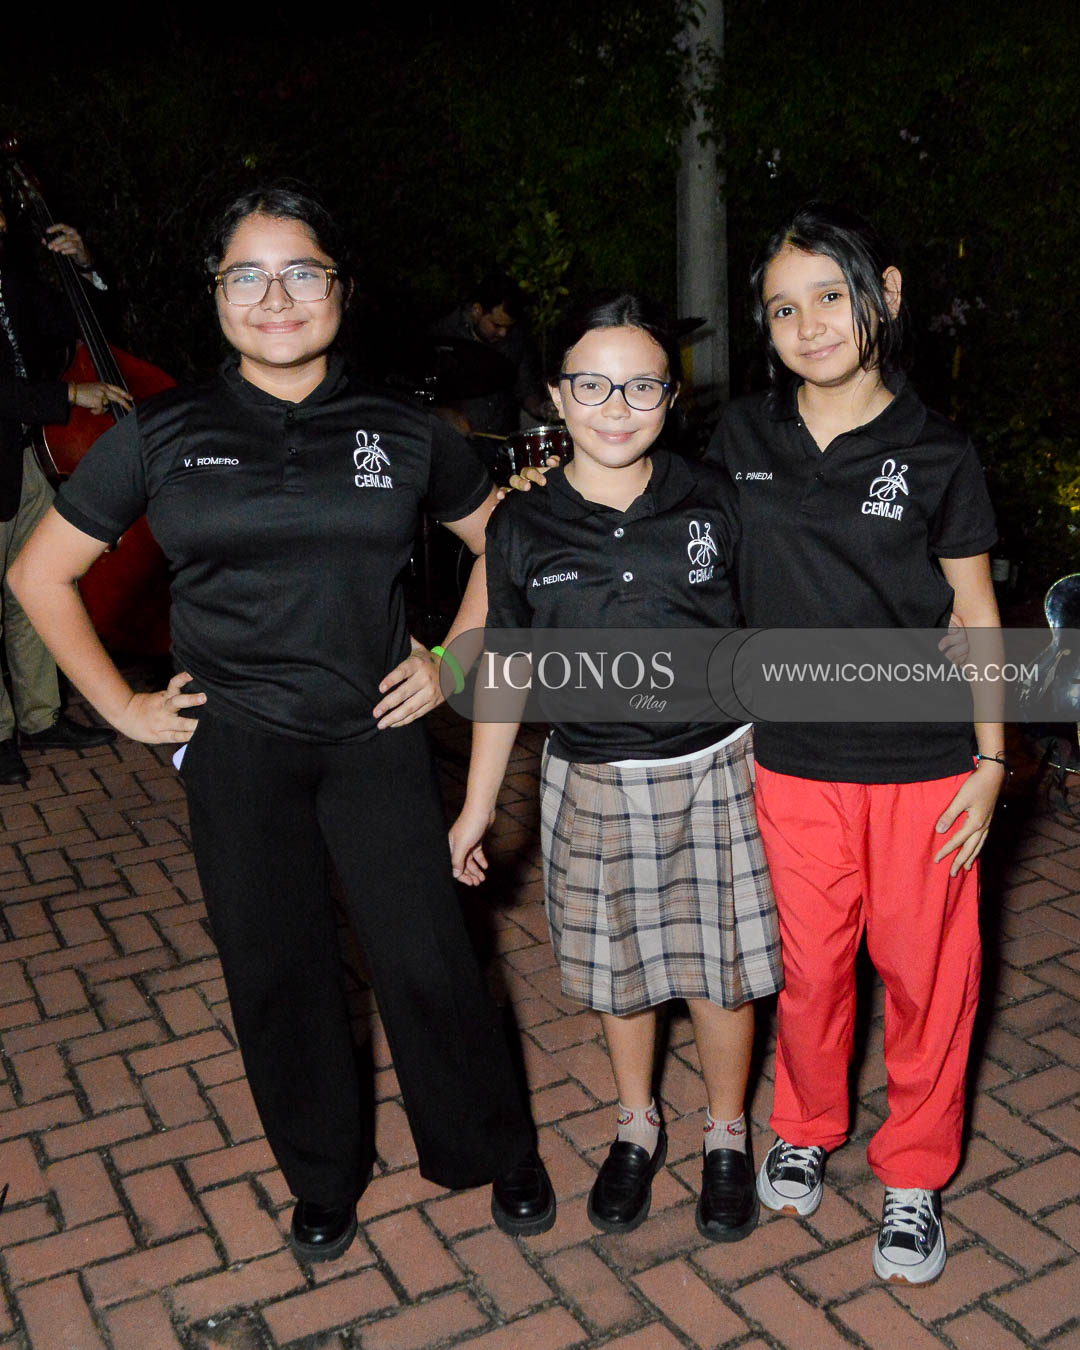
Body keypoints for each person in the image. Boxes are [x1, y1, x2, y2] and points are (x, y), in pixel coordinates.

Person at [10, 183, 554, 1259]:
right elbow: (39, 574)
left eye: (302, 272)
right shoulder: (163, 430)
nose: (276, 298)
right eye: (247, 276)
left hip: (374, 735)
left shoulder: (403, 426)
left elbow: (507, 542)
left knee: (431, 959)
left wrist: (452, 660)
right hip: (238, 746)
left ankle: (490, 1144)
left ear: (341, 291)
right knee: (277, 971)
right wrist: (123, 706)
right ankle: (321, 1174)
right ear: (216, 295)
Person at [708, 202, 1003, 1285]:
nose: (809, 324)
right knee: (810, 970)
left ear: (885, 294)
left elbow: (977, 614)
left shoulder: (939, 452)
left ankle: (914, 1175)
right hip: (790, 760)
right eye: (784, 308)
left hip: (924, 767)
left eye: (830, 296)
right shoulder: (740, 437)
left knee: (928, 979)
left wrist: (992, 762)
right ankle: (804, 1125)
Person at [449, 292, 783, 1241]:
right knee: (620, 969)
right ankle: (637, 1125)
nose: (617, 406)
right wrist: (477, 806)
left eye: (642, 386)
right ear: (557, 396)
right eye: (592, 385)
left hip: (717, 768)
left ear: (671, 398)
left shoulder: (716, 497)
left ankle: (727, 1133)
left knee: (723, 971)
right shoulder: (521, 524)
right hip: (591, 778)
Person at [0, 205, 126, 783]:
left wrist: (84, 266)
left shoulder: (11, 281)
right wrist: (69, 396)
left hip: (26, 456)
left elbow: (89, 324)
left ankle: (42, 717)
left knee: (35, 590)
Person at [428, 273, 556, 437]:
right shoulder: (442, 335)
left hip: (501, 440)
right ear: (477, 310)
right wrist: (442, 413)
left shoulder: (516, 339)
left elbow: (526, 388)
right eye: (496, 325)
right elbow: (416, 394)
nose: (503, 333)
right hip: (454, 440)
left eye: (508, 327)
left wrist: (543, 408)